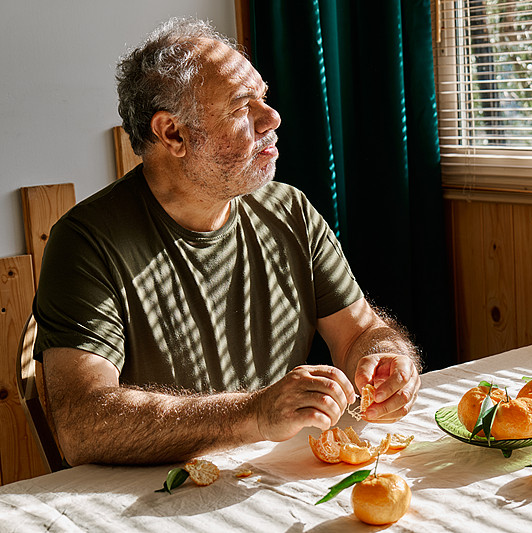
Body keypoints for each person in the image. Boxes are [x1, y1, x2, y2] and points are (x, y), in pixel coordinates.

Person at [32, 17, 421, 466]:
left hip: (273, 477)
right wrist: (254, 414)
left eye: (264, 98)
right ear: (173, 133)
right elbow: (84, 425)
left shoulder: (289, 210)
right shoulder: (86, 242)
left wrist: (386, 356)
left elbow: (360, 332)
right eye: (241, 107)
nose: (271, 117)